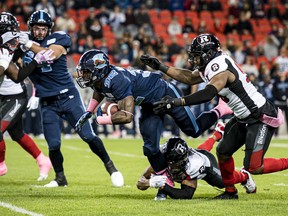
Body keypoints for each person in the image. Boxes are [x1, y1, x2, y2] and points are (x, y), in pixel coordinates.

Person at [140, 33, 288, 199]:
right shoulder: (211, 65)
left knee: (254, 167)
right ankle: (231, 192)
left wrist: (176, 102)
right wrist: (161, 66)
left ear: (208, 54)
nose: (194, 60)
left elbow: (209, 93)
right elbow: (189, 77)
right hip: (242, 117)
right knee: (223, 152)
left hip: (259, 116)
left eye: (197, 56)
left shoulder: (219, 65)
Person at [74, 49, 232, 199]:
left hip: (165, 94)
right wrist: (89, 111)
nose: (84, 75)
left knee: (194, 130)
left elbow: (127, 116)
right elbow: (100, 90)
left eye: (87, 72)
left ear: (98, 70)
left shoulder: (117, 80)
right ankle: (165, 183)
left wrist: (99, 119)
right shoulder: (101, 79)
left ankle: (220, 110)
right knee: (150, 148)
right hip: (150, 105)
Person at [17, 10, 124, 188]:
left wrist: (27, 44)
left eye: (44, 29)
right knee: (53, 144)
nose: (40, 32)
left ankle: (111, 167)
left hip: (68, 96)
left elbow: (50, 55)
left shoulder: (58, 38)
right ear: (31, 28)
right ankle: (60, 178)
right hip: (47, 101)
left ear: (49, 29)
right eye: (37, 28)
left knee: (88, 136)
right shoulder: (22, 45)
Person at [0, 12, 53, 180]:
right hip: (5, 93)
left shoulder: (10, 45)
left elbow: (17, 74)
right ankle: (42, 159)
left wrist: (35, 56)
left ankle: (1, 165)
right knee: (17, 134)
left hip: (15, 95)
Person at [137, 124, 228, 200]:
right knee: (201, 150)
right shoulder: (162, 155)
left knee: (223, 182)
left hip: (207, 164)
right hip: (197, 154)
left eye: (174, 162)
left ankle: (242, 174)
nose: (171, 165)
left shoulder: (193, 165)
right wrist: (149, 183)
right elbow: (139, 183)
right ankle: (217, 134)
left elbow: (186, 195)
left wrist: (164, 187)